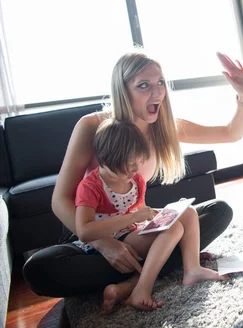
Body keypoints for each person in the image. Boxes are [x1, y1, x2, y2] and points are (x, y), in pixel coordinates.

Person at [23, 51, 243, 311]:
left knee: (218, 211)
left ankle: (137, 278)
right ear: (123, 91)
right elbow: (60, 200)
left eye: (160, 83)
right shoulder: (93, 126)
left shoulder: (166, 127)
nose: (157, 93)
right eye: (144, 85)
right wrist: (105, 245)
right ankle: (165, 263)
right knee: (39, 269)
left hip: (134, 230)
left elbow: (231, 134)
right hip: (89, 232)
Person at [74, 119, 226, 311]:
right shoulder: (90, 186)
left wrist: (158, 213)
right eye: (130, 164)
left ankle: (192, 267)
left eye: (138, 162)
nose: (136, 169)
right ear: (107, 157)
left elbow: (139, 210)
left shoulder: (135, 180)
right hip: (110, 239)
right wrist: (132, 218)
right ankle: (141, 289)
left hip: (132, 230)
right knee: (174, 230)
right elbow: (84, 231)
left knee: (187, 212)